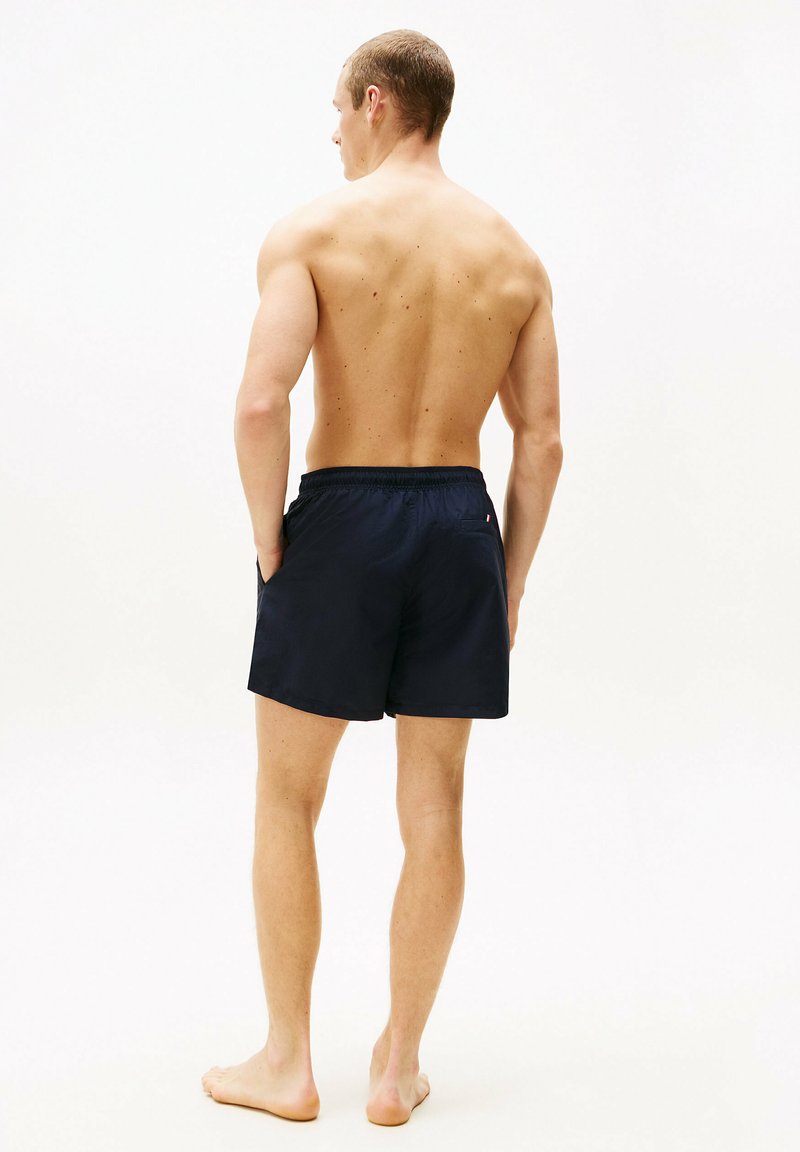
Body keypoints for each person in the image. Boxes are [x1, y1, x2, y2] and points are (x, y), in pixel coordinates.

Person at [201, 28, 562, 1127]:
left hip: (341, 520)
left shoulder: (314, 231)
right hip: (457, 522)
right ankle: (398, 1067)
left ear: (374, 102)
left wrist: (270, 541)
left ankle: (286, 1063)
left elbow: (260, 402)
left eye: (336, 111)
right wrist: (507, 579)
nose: (331, 135)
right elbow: (541, 442)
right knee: (435, 802)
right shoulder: (512, 256)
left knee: (287, 795)